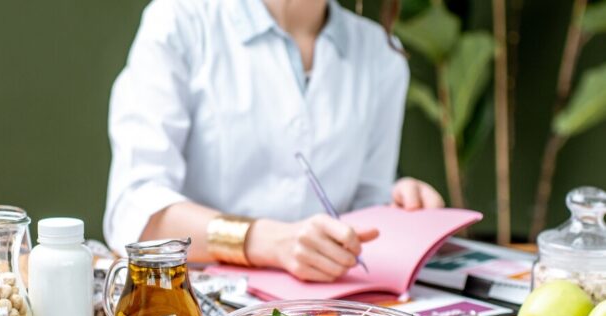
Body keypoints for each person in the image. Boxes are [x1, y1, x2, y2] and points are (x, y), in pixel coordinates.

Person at [104, 0, 444, 282]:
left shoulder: (381, 55)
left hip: (327, 314)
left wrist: (399, 211)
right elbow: (135, 211)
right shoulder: (180, 22)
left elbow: (363, 206)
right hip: (198, 312)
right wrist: (266, 241)